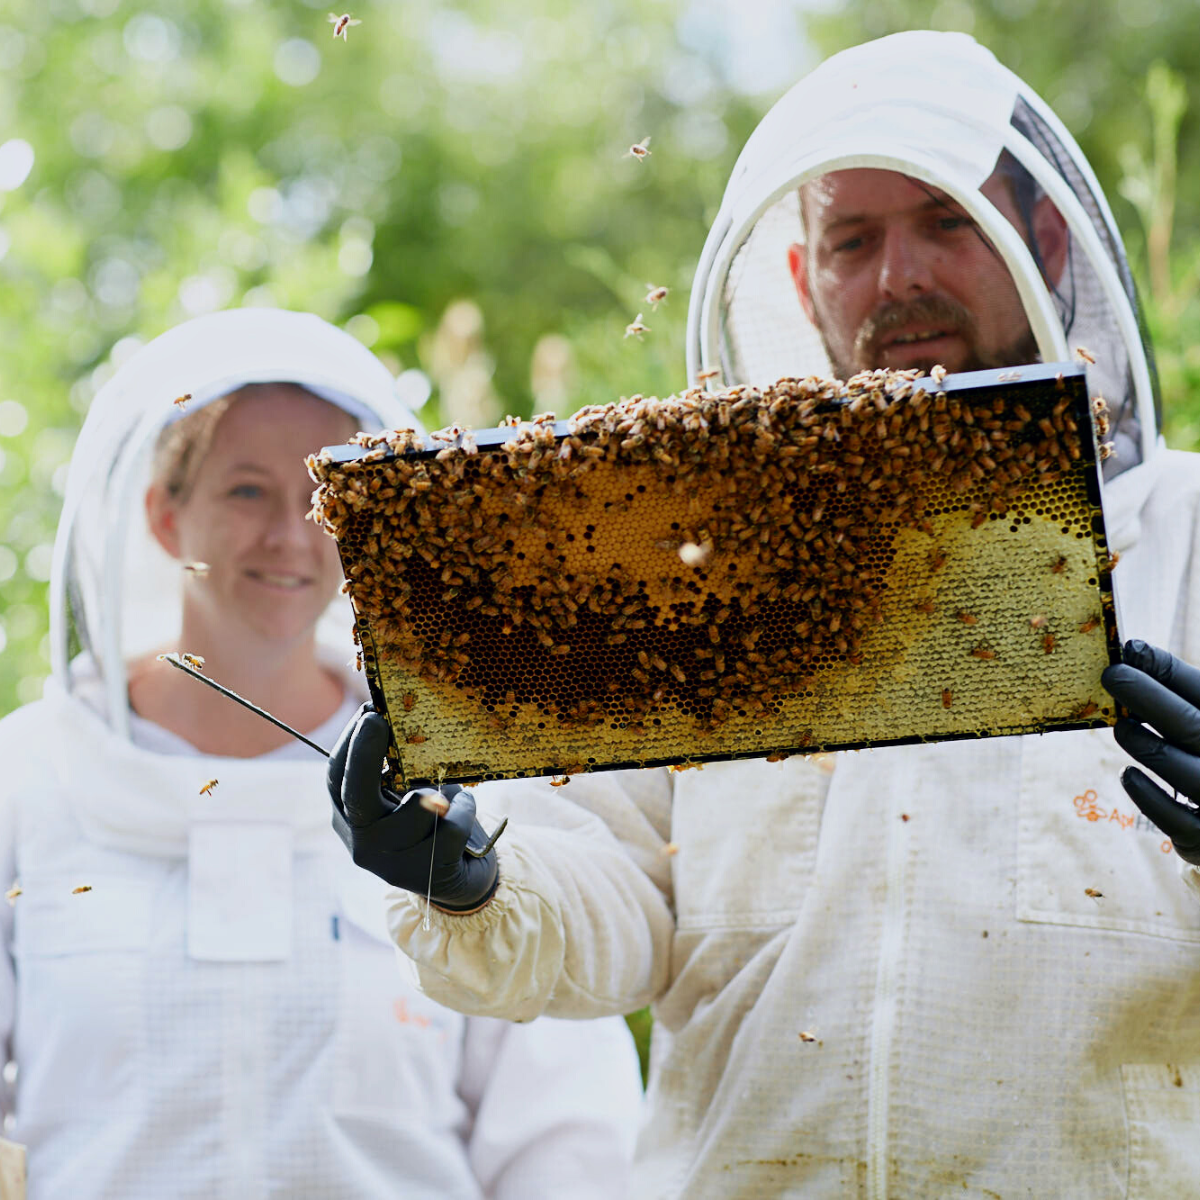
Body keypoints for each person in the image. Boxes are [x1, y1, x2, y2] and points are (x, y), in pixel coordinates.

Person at [330, 32, 1200, 1198]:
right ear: (802, 282)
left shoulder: (1187, 536)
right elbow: (622, 895)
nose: (899, 278)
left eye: (945, 221)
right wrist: (469, 878)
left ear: (1043, 241)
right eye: (853, 239)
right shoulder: (698, 565)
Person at [0, 307, 643, 1199]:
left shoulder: (450, 782)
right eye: (246, 490)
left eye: (320, 499)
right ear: (161, 514)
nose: (291, 536)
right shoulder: (27, 779)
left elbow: (569, 1130)